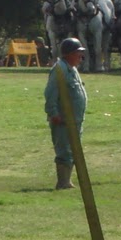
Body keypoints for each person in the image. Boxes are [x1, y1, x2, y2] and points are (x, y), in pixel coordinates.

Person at [44, 37, 86, 191]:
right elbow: (50, 94)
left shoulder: (71, 69)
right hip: (62, 120)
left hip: (74, 120)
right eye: (78, 53)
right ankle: (62, 182)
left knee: (73, 150)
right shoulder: (59, 70)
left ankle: (67, 181)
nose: (81, 57)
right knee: (64, 151)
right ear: (68, 54)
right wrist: (53, 113)